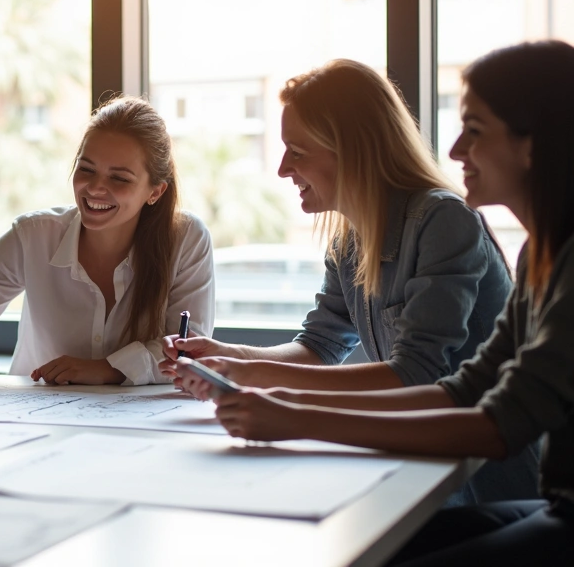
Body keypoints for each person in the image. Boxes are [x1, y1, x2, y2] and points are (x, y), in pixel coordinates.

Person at [190, 41, 574, 565]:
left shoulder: (446, 221)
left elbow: (489, 417)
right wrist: (241, 367)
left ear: (532, 145)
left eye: (476, 130)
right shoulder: (540, 254)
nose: (457, 149)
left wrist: (295, 413)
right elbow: (465, 388)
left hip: (521, 493)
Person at [0, 96, 214, 388]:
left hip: (145, 428)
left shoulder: (187, 240)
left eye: (119, 179)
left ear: (155, 192)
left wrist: (108, 369)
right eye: (86, 169)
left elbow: (190, 352)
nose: (96, 188)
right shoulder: (32, 236)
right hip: (36, 422)